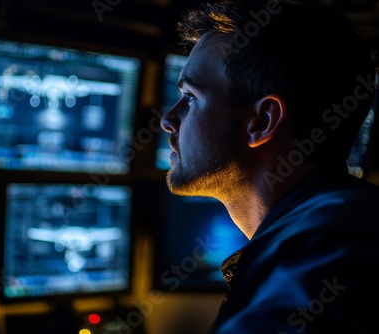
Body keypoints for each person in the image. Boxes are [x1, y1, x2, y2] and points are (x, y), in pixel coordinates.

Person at [159, 0, 379, 333]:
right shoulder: (344, 226)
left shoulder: (309, 264)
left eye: (191, 97)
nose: (167, 120)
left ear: (262, 121)